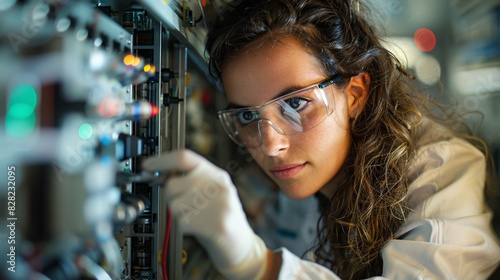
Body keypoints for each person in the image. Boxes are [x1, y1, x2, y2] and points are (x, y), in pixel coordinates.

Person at [143, 0, 500, 279]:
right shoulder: (314, 186)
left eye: (296, 103)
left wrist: (258, 266)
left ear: (356, 94)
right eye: (248, 116)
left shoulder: (442, 169)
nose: (270, 145)